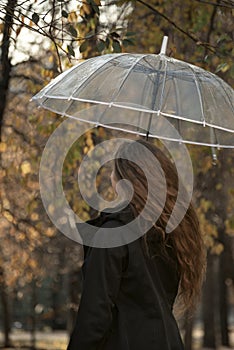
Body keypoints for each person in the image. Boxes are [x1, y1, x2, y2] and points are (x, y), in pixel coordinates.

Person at [67, 138, 206, 350]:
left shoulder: (114, 233)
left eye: (114, 171)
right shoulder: (172, 232)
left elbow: (94, 315)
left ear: (121, 181)